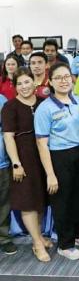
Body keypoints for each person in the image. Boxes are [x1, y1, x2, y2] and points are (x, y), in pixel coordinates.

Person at [35, 63, 79, 261]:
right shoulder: (45, 108)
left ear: (72, 79)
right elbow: (42, 144)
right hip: (59, 157)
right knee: (62, 201)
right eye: (58, 78)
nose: (63, 81)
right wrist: (50, 174)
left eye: (66, 76)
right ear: (50, 82)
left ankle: (76, 233)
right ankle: (65, 244)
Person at [2, 67, 50, 262]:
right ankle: (37, 243)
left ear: (34, 82)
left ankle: (39, 236)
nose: (24, 86)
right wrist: (16, 163)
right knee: (28, 201)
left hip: (43, 155)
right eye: (19, 83)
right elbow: (8, 137)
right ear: (14, 86)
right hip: (23, 157)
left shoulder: (43, 102)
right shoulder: (10, 107)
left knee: (40, 199)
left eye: (27, 82)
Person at [0, 94, 17, 256]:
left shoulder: (2, 101)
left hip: (2, 162)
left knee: (3, 203)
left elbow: (8, 131)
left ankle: (4, 238)